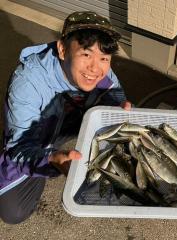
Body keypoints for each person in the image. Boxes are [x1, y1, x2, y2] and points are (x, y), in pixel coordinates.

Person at [0, 11, 131, 224]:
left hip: (68, 125)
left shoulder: (102, 74)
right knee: (13, 211)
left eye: (104, 58)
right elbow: (20, 149)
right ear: (62, 49)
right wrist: (50, 160)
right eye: (86, 54)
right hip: (35, 138)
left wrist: (119, 106)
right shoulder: (27, 84)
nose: (95, 68)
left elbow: (114, 91)